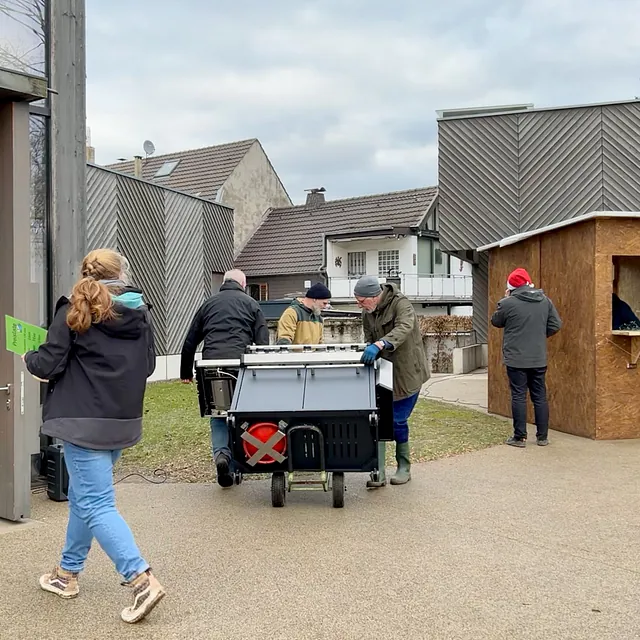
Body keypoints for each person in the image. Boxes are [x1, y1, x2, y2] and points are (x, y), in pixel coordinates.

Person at [22, 249, 164, 624]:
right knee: (87, 499)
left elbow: (48, 363)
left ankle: (140, 580)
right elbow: (148, 365)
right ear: (122, 274)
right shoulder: (139, 312)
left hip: (81, 421)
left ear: (85, 272)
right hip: (121, 420)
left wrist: (27, 357)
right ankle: (66, 575)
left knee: (96, 503)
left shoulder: (74, 308)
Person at [180, 269, 269, 487]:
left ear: (224, 282)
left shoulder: (208, 304)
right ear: (243, 283)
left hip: (212, 367)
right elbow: (263, 342)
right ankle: (240, 461)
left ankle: (222, 455)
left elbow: (191, 340)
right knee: (242, 413)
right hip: (241, 367)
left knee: (218, 413)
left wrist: (185, 373)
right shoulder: (251, 304)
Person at [353, 275, 430, 487]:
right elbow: (368, 335)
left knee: (396, 420)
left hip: (407, 372)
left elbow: (404, 327)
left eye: (361, 301)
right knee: (376, 420)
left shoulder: (401, 303)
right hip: (383, 372)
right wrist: (369, 348)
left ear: (375, 296)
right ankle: (378, 469)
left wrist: (380, 344)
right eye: (357, 301)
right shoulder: (367, 312)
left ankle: (404, 466)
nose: (359, 305)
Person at [491, 267, 562, 448]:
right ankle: (542, 437)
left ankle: (519, 437)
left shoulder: (508, 303)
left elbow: (495, 321)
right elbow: (555, 324)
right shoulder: (545, 301)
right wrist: (538, 336)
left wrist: (506, 299)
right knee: (539, 396)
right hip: (538, 357)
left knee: (519, 396)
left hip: (516, 358)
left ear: (511, 287)